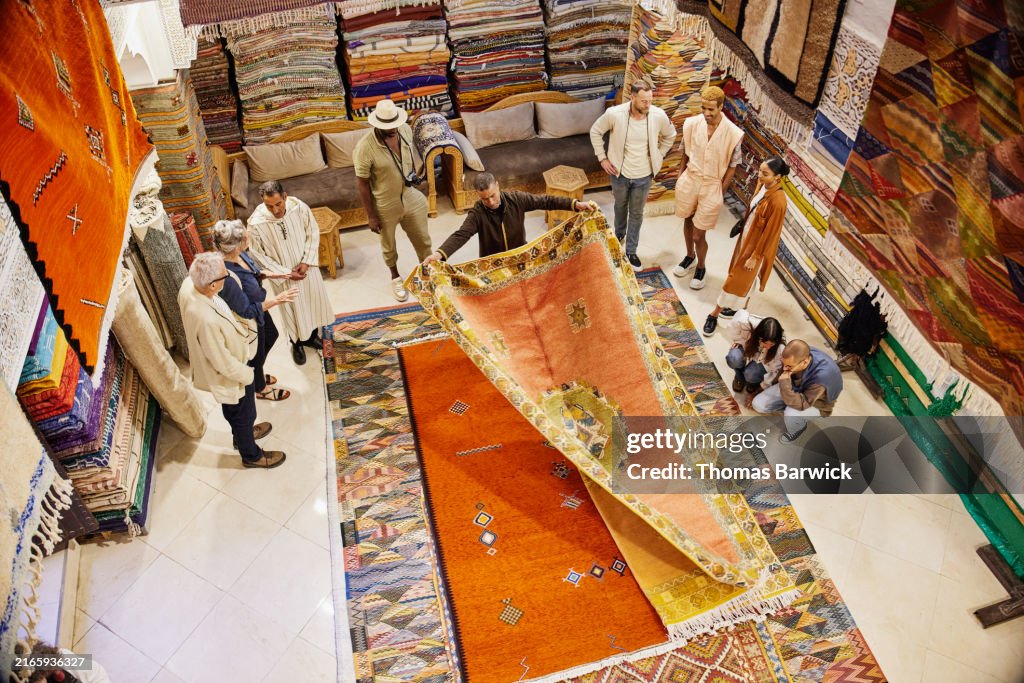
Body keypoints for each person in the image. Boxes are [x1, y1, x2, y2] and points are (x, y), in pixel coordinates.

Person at [177, 252, 286, 468]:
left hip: (231, 365)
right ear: (212, 285)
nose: (227, 277)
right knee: (243, 411)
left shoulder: (190, 284)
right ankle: (251, 455)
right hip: (232, 373)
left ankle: (242, 435)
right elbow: (223, 362)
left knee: (236, 410)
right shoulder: (205, 319)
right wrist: (248, 375)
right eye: (224, 276)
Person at [589, 79, 676, 271]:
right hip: (619, 174)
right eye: (644, 101)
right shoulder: (615, 114)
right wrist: (602, 158)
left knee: (636, 213)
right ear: (633, 97)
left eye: (650, 100)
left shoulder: (657, 115)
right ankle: (618, 236)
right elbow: (595, 131)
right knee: (620, 206)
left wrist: (659, 155)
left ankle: (631, 251)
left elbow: (670, 135)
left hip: (644, 176)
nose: (648, 105)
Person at [246, 181, 335, 366]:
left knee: (310, 302)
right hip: (283, 275)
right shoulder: (256, 223)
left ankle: (310, 337)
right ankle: (296, 344)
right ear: (263, 202)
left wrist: (306, 261)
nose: (275, 210)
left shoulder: (299, 208)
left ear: (285, 197)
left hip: (306, 268)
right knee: (291, 310)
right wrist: (286, 273)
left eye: (278, 204)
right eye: (269, 206)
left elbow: (312, 232)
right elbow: (257, 255)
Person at [354, 99, 433, 302]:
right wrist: (371, 216)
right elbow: (362, 183)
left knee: (423, 239)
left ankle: (428, 273)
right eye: (387, 128)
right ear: (377, 125)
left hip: (410, 195)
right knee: (388, 245)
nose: (392, 130)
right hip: (385, 204)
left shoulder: (405, 130)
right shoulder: (364, 148)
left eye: (394, 126)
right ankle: (395, 277)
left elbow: (409, 158)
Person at [701, 156, 789, 336]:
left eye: (765, 174)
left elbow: (771, 233)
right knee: (743, 279)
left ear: (778, 177)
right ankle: (738, 309)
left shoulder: (779, 202)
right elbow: (754, 210)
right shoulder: (762, 186)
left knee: (735, 279)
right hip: (746, 239)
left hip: (755, 247)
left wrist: (756, 256)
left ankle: (714, 314)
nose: (759, 175)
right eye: (760, 171)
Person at [423, 173, 599, 263]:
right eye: (484, 199)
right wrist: (439, 254)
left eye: (493, 195)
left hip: (520, 255)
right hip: (493, 263)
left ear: (498, 186)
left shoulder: (517, 199)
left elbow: (546, 200)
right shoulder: (477, 213)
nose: (490, 202)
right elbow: (461, 235)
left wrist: (575, 204)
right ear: (478, 195)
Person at [212, 219, 299, 401]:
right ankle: (259, 386)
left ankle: (256, 374)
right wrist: (278, 299)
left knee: (272, 335)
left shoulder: (240, 255)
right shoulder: (227, 276)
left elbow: (253, 273)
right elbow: (246, 311)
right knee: (256, 354)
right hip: (249, 319)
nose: (248, 235)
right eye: (244, 235)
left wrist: (275, 274)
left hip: (259, 308)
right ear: (235, 246)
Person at [672, 85, 744, 290]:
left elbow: (732, 166)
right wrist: (680, 176)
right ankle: (689, 256)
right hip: (690, 178)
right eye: (703, 108)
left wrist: (721, 190)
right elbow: (685, 151)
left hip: (713, 184)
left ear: (721, 106)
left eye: (711, 109)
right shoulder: (692, 124)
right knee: (687, 218)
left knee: (699, 234)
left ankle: (701, 267)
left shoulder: (733, 133)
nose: (706, 113)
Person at [751, 339, 843, 443]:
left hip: (816, 403)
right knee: (758, 404)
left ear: (805, 362)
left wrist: (785, 385)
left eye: (789, 366)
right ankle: (788, 406)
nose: (785, 368)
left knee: (791, 413)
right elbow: (783, 372)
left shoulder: (822, 378)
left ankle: (797, 428)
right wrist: (767, 386)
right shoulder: (797, 356)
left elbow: (803, 404)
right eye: (784, 364)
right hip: (794, 388)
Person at [726, 312, 785, 407]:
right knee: (734, 358)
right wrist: (738, 341)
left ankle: (753, 382)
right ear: (758, 336)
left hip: (763, 362)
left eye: (772, 344)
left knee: (751, 374)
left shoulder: (780, 348)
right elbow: (732, 326)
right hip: (748, 345)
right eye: (765, 343)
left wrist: (760, 389)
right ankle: (739, 377)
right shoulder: (746, 324)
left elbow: (774, 372)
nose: (769, 347)